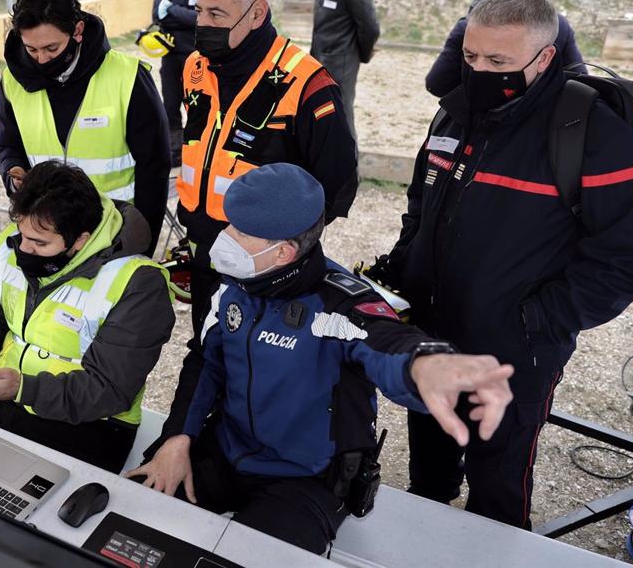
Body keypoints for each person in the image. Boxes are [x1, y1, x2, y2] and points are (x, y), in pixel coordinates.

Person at [371, 0, 633, 528]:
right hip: (434, 339)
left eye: (498, 62)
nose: (480, 72)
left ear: (545, 57)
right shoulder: (454, 113)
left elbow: (632, 261)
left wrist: (535, 319)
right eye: (472, 58)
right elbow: (422, 203)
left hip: (514, 355)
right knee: (428, 475)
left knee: (498, 494)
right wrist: (402, 266)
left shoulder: (590, 131)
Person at [128, 163, 515, 554]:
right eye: (230, 224)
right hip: (227, 452)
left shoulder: (340, 307)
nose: (224, 238)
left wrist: (428, 365)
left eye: (240, 232)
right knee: (131, 521)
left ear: (282, 252)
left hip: (306, 480)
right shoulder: (232, 288)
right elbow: (205, 361)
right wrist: (177, 438)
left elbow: (388, 343)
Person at [148, 0, 360, 460]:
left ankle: (263, 457)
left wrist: (276, 249)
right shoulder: (196, 67)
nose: (202, 25)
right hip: (206, 253)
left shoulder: (306, 84)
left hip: (265, 266)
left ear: (257, 13)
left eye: (216, 16)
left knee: (262, 364)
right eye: (200, 12)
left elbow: (336, 186)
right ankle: (200, 445)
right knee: (208, 350)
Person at [0, 161, 175, 473]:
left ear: (80, 240)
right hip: (9, 396)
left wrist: (22, 389)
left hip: (92, 426)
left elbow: (109, 390)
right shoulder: (14, 243)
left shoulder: (138, 284)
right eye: (22, 234)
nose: (24, 249)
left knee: (9, 501)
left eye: (40, 244)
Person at [0, 0, 170, 256]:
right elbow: (7, 145)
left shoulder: (128, 77)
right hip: (46, 240)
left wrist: (141, 243)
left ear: (77, 31)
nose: (41, 59)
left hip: (114, 235)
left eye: (52, 49)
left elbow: (154, 168)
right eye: (31, 50)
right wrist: (12, 172)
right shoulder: (12, 81)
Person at [425, 0, 586, 98]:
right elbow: (580, 79)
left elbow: (437, 84)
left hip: (482, 117)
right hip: (545, 120)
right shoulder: (559, 25)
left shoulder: (469, 26)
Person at [309, 0, 380, 137]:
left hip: (342, 65)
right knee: (317, 113)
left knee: (342, 118)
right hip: (317, 59)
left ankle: (350, 167)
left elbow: (370, 27)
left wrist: (361, 55)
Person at [153, 0, 205, 166]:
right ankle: (175, 153)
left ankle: (196, 151)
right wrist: (182, 16)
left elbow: (200, 19)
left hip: (196, 57)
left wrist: (171, 10)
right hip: (170, 57)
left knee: (196, 107)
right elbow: (156, 15)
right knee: (170, 107)